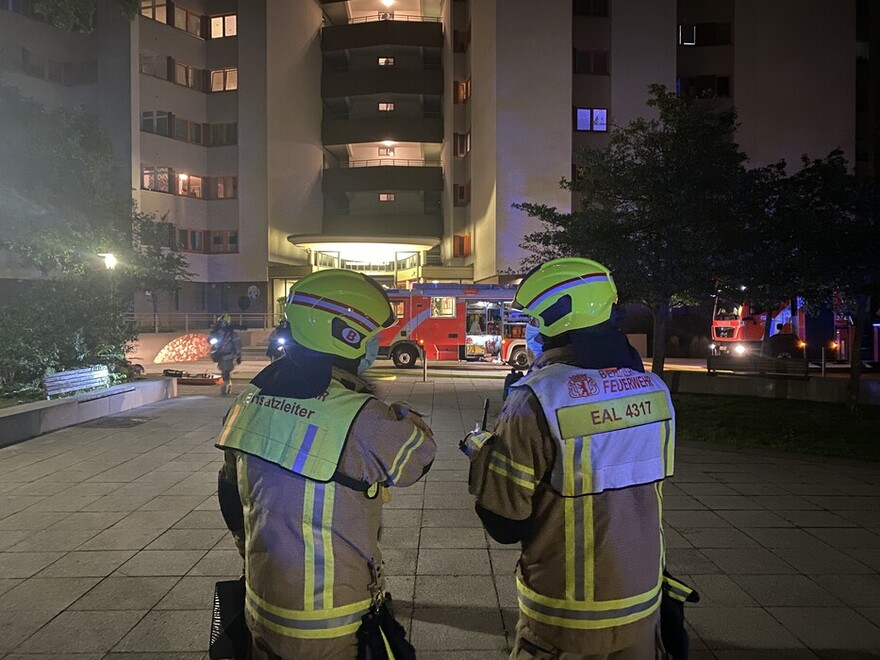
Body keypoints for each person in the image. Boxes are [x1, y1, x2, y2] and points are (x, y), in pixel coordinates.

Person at [462, 258, 689, 660]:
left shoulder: (535, 399)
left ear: (554, 319)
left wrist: (486, 454)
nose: (529, 331)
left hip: (565, 619)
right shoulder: (653, 390)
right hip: (643, 604)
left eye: (532, 320)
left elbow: (503, 523)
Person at [216, 269, 436, 660]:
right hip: (330, 623)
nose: (373, 349)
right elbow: (418, 456)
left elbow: (228, 491)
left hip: (261, 604)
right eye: (369, 339)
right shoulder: (360, 416)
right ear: (345, 337)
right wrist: (386, 407)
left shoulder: (248, 401)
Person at [210, 314, 242, 396]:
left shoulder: (232, 334)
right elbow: (210, 340)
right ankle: (227, 387)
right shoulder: (217, 333)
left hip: (229, 355)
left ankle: (225, 388)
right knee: (224, 372)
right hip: (221, 355)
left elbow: (237, 343)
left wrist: (238, 355)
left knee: (225, 371)